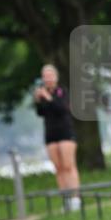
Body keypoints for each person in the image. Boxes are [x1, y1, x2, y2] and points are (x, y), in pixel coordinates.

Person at [34, 64, 81, 211]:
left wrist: (48, 97)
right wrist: (38, 100)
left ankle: (75, 199)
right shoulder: (42, 94)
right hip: (50, 134)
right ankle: (66, 200)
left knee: (68, 166)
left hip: (65, 132)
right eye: (45, 76)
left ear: (56, 77)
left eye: (50, 75)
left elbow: (62, 109)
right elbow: (40, 113)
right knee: (59, 168)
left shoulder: (63, 91)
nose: (48, 79)